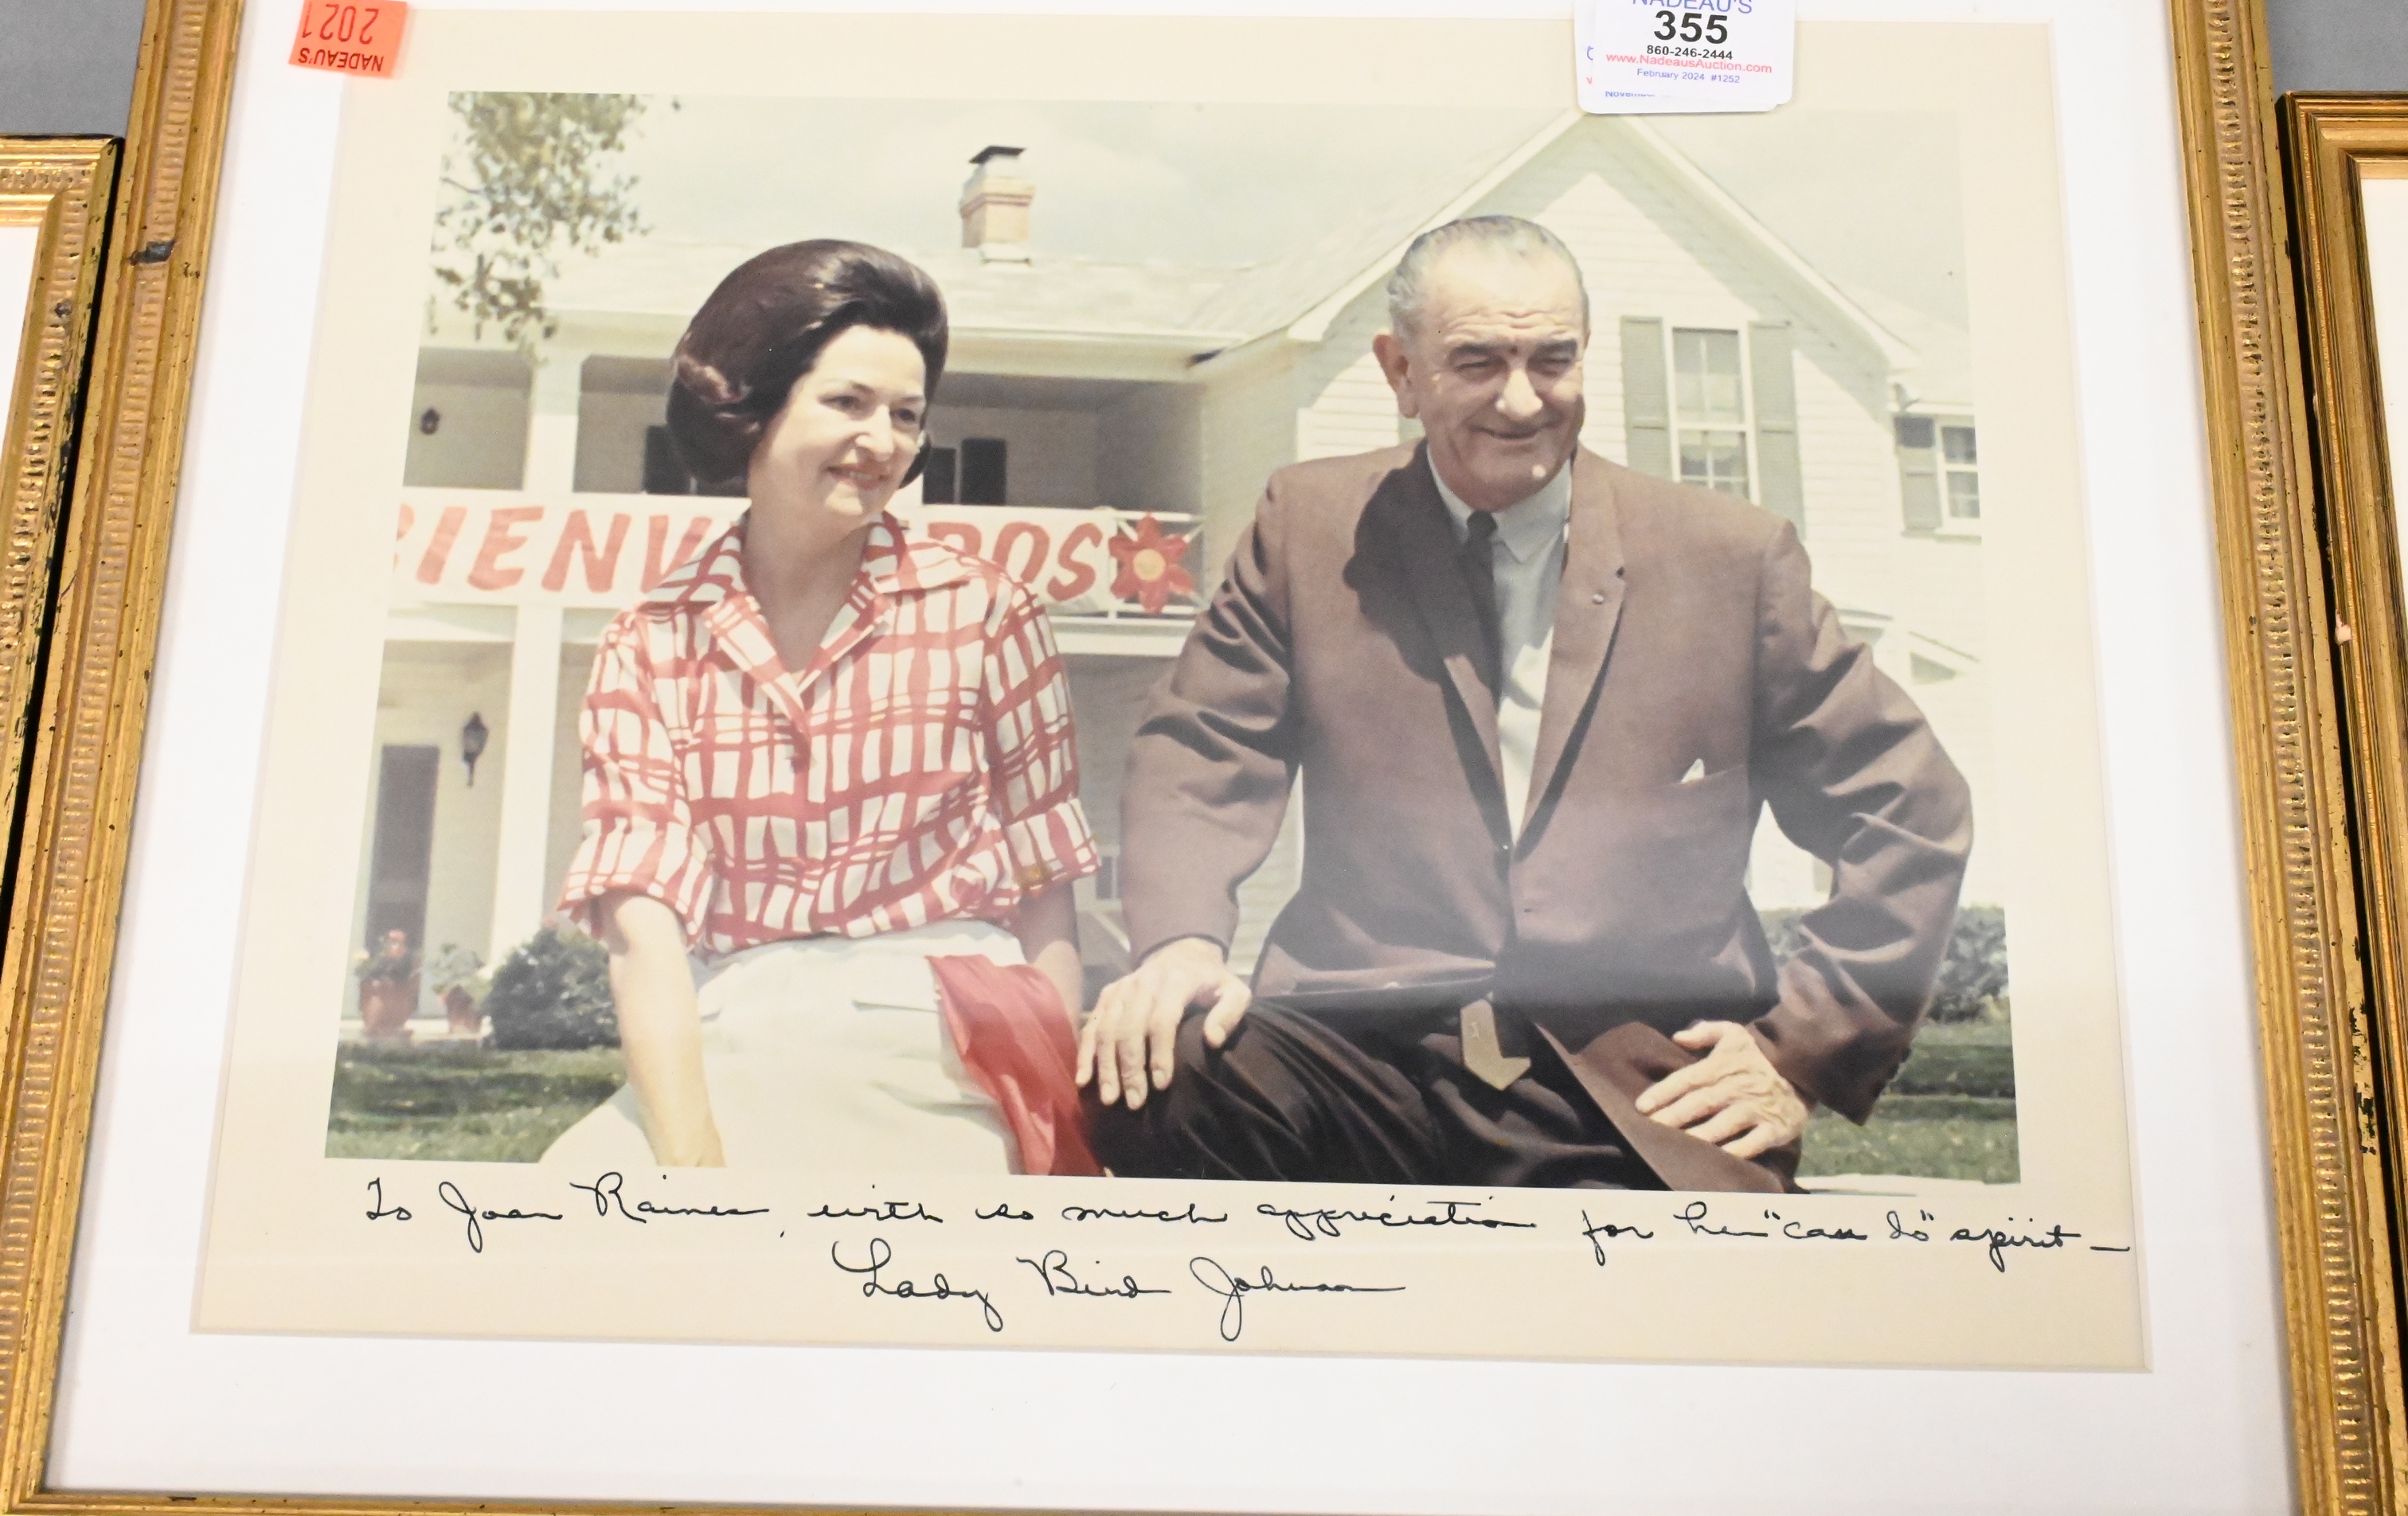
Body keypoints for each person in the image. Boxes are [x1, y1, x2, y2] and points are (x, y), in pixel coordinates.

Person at [1081, 215, 1972, 1191]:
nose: (1520, 399)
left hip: (1634, 1082)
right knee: (1159, 1072)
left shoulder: (1730, 557)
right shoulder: (1309, 526)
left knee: (1655, 1269)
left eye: (1553, 359)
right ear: (1400, 370)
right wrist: (1180, 944)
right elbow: (1202, 747)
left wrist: (1802, 1048)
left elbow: (1908, 805)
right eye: (1477, 361)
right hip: (1361, 1046)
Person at [543, 240, 1100, 1174]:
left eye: (906, 415)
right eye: (847, 402)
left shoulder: (988, 611)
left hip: (945, 1039)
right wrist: (691, 1163)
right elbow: (645, 935)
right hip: (731, 1033)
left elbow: (1047, 891)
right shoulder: (651, 640)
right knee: (572, 1201)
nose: (882, 441)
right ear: (753, 409)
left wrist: (1058, 1118)